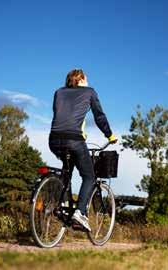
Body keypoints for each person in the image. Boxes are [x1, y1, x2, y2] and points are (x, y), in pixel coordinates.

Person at [49, 69, 117, 231]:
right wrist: (110, 135)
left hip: (53, 139)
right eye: (86, 78)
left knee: (67, 172)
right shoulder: (90, 92)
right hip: (74, 140)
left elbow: (62, 115)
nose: (88, 81)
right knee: (89, 176)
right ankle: (80, 213)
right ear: (80, 80)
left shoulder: (58, 92)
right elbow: (99, 116)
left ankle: (62, 204)